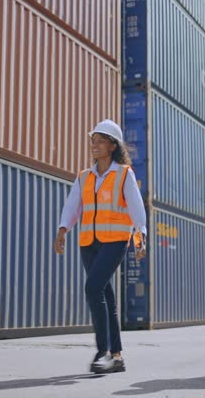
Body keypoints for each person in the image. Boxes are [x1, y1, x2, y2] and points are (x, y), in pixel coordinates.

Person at [55, 119, 147, 374]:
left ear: (112, 146)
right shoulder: (85, 176)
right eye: (93, 141)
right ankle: (116, 356)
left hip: (115, 241)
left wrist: (140, 238)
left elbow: (136, 208)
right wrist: (63, 229)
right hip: (89, 242)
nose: (94, 146)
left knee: (92, 288)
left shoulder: (123, 174)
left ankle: (102, 351)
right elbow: (73, 205)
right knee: (106, 295)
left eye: (100, 141)